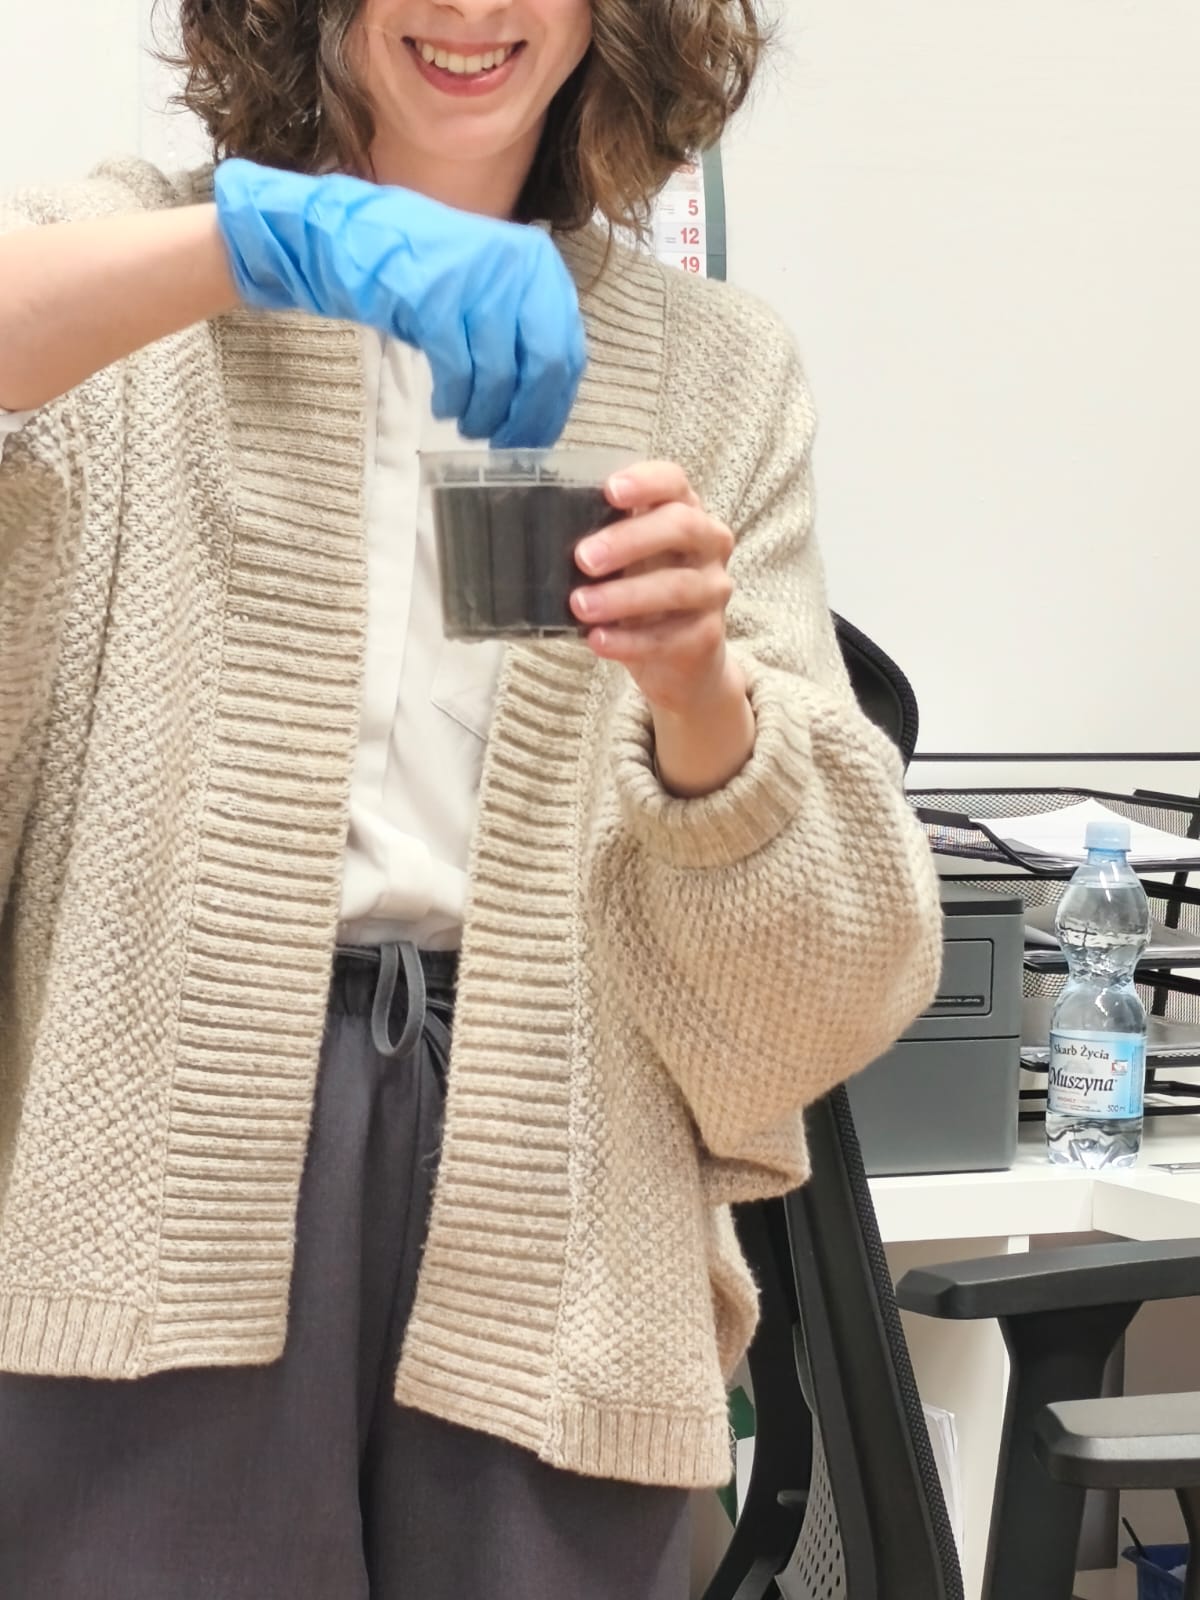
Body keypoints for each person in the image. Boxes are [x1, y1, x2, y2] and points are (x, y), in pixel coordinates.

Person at [0, 0, 942, 1595]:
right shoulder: (132, 272)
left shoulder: (716, 371)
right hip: (151, 1168)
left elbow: (839, 981)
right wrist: (258, 244)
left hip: (560, 1189)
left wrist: (699, 697)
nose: (471, 10)